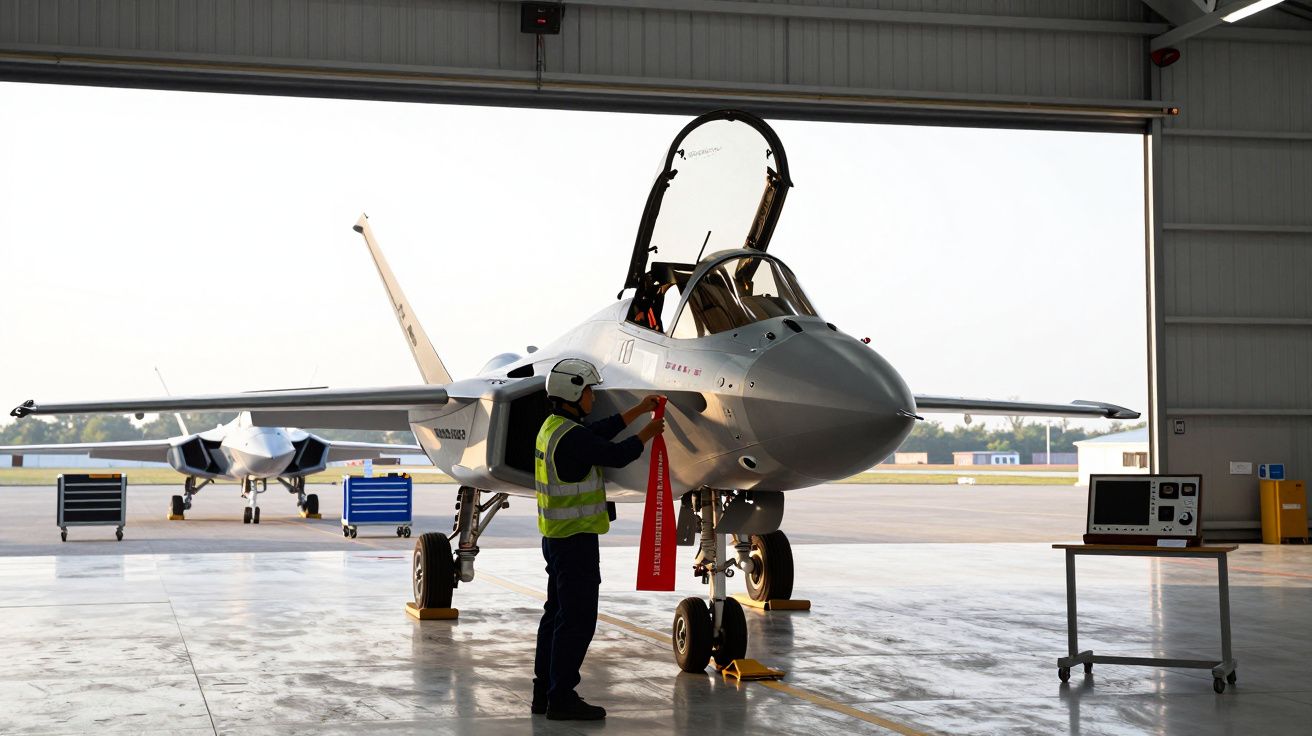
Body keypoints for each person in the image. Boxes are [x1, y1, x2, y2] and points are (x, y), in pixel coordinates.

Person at [532, 358, 665, 721]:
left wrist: (639, 410)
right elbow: (616, 455)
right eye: (590, 390)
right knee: (577, 621)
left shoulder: (554, 428)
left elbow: (597, 433)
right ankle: (562, 698)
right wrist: (648, 433)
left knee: (555, 616)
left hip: (556, 538)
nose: (593, 397)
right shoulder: (573, 437)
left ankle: (543, 693)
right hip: (575, 541)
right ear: (574, 393)